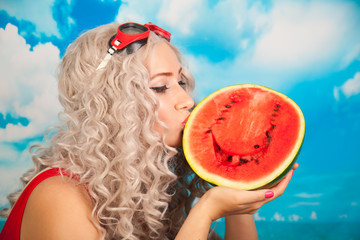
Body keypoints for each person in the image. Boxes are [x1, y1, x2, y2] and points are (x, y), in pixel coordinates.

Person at [0, 22, 298, 240]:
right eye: (160, 87)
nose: (188, 101)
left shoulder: (154, 197)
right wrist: (205, 211)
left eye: (181, 83)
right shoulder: (60, 197)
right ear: (112, 107)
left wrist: (239, 203)